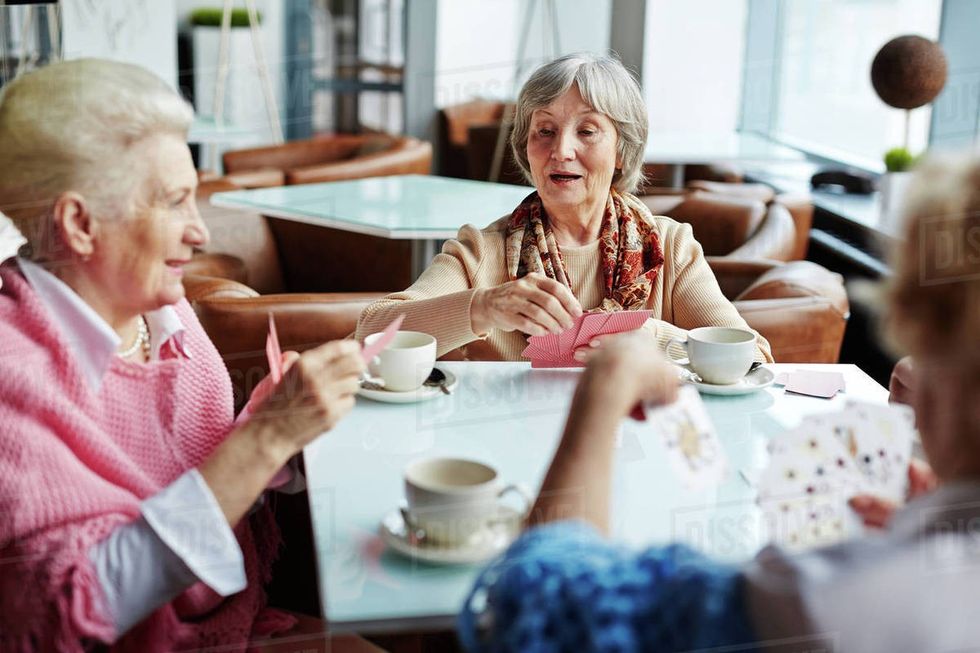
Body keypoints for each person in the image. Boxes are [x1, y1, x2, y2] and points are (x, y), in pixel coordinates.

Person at [457, 155, 980, 652]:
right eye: (543, 130)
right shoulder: (488, 247)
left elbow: (533, 608)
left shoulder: (845, 594)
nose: (907, 370)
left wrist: (608, 383)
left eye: (931, 346)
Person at [0, 59, 380, 652]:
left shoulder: (165, 315)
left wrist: (285, 431)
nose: (200, 232)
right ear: (78, 223)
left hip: (234, 624)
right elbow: (59, 616)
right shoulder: (12, 372)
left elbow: (202, 478)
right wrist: (264, 440)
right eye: (175, 202)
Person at [356, 53, 771, 363]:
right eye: (545, 131)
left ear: (622, 151)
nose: (561, 151)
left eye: (587, 131)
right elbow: (370, 335)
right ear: (526, 149)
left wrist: (659, 341)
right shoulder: (481, 251)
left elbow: (754, 358)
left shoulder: (670, 246)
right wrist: (483, 307)